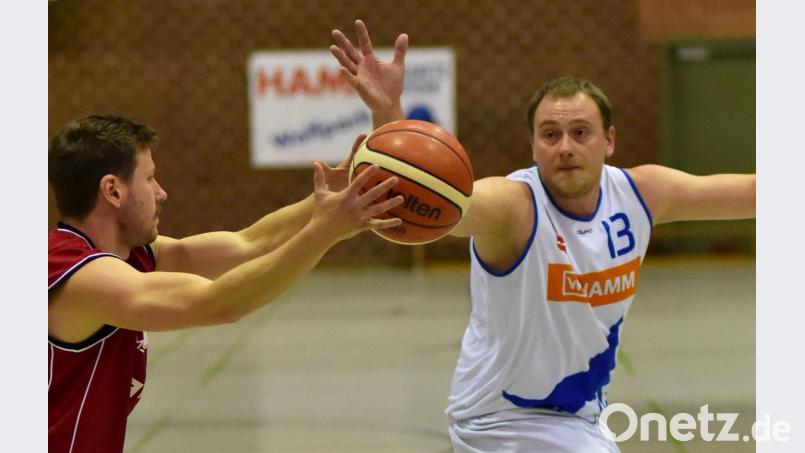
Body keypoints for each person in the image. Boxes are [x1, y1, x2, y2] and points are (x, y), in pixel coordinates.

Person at [330, 20, 755, 452]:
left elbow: (753, 194)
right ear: (533, 147)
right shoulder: (514, 207)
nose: (565, 146)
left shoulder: (642, 194)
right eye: (550, 135)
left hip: (578, 420)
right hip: (501, 424)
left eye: (580, 133)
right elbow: (440, 204)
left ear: (608, 141)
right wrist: (387, 110)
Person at [47, 115, 404, 452]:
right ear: (113, 191)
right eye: (150, 178)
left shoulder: (130, 254)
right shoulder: (78, 274)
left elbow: (250, 245)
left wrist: (330, 199)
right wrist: (324, 232)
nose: (162, 192)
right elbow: (219, 303)